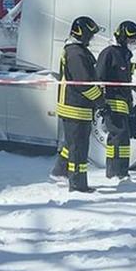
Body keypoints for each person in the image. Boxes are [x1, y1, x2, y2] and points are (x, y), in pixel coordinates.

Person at [50, 16, 104, 193]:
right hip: (76, 107)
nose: (92, 38)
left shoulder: (76, 51)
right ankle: (78, 184)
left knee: (72, 144)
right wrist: (100, 100)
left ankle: (60, 171)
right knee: (79, 149)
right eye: (91, 34)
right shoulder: (76, 53)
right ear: (82, 33)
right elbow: (84, 83)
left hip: (76, 106)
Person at [97, 20, 136, 180]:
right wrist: (101, 103)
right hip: (111, 103)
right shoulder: (109, 53)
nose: (134, 44)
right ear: (122, 39)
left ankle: (122, 170)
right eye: (131, 40)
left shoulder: (126, 55)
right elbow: (99, 79)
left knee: (123, 139)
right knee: (117, 138)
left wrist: (132, 110)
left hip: (123, 104)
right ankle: (115, 172)